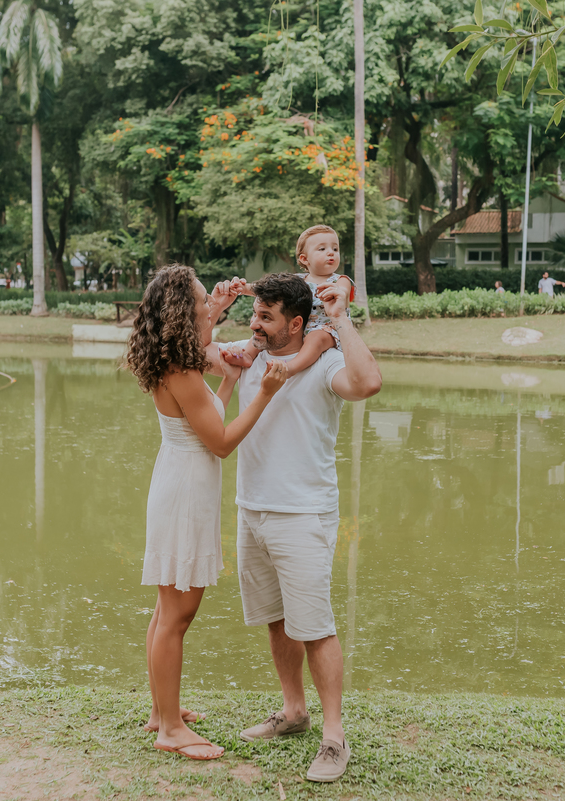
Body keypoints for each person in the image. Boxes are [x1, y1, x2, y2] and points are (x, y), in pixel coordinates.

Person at [210, 272, 382, 783]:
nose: (255, 323)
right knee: (276, 618)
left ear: (298, 323)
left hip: (304, 514)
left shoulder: (325, 362)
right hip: (252, 508)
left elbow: (368, 383)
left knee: (316, 626)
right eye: (254, 314)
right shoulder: (250, 352)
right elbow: (193, 353)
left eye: (266, 316)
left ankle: (333, 737)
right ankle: (293, 712)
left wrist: (342, 321)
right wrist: (217, 307)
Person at [124, 264, 289, 762]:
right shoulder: (182, 368)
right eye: (200, 302)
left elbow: (205, 418)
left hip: (180, 484)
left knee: (166, 610)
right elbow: (219, 443)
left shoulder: (179, 361)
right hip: (184, 492)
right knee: (178, 613)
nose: (207, 306)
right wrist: (262, 393)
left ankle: (161, 711)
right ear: (182, 310)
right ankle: (170, 729)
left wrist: (232, 381)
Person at [223, 225, 351, 376]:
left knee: (316, 338)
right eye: (322, 249)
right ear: (304, 258)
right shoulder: (298, 279)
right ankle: (247, 355)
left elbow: (343, 291)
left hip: (327, 328)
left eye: (335, 249)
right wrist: (244, 288)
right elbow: (269, 290)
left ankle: (290, 368)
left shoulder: (340, 280)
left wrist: (338, 292)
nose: (331, 252)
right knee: (266, 328)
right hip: (299, 326)